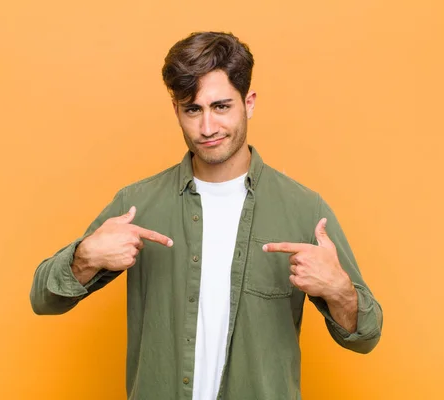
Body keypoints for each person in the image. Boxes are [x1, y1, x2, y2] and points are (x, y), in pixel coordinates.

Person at [30, 31, 383, 400]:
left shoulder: (304, 209)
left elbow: (366, 337)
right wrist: (85, 258)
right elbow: (45, 299)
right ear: (177, 111)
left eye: (221, 107)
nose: (207, 128)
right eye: (193, 110)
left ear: (249, 103)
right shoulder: (137, 204)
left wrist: (339, 291)